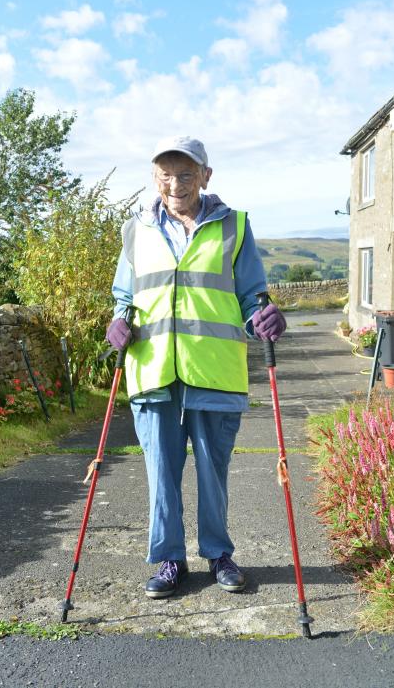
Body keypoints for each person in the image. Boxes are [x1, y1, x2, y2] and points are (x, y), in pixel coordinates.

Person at [106, 136, 286, 599]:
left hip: (214, 372)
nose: (175, 184)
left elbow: (252, 295)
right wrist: (118, 322)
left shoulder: (235, 226)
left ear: (206, 176)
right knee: (161, 473)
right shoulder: (136, 229)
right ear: (154, 178)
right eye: (166, 174)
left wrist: (264, 315)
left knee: (213, 470)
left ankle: (218, 554)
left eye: (186, 174)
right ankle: (169, 559)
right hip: (153, 371)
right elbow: (125, 296)